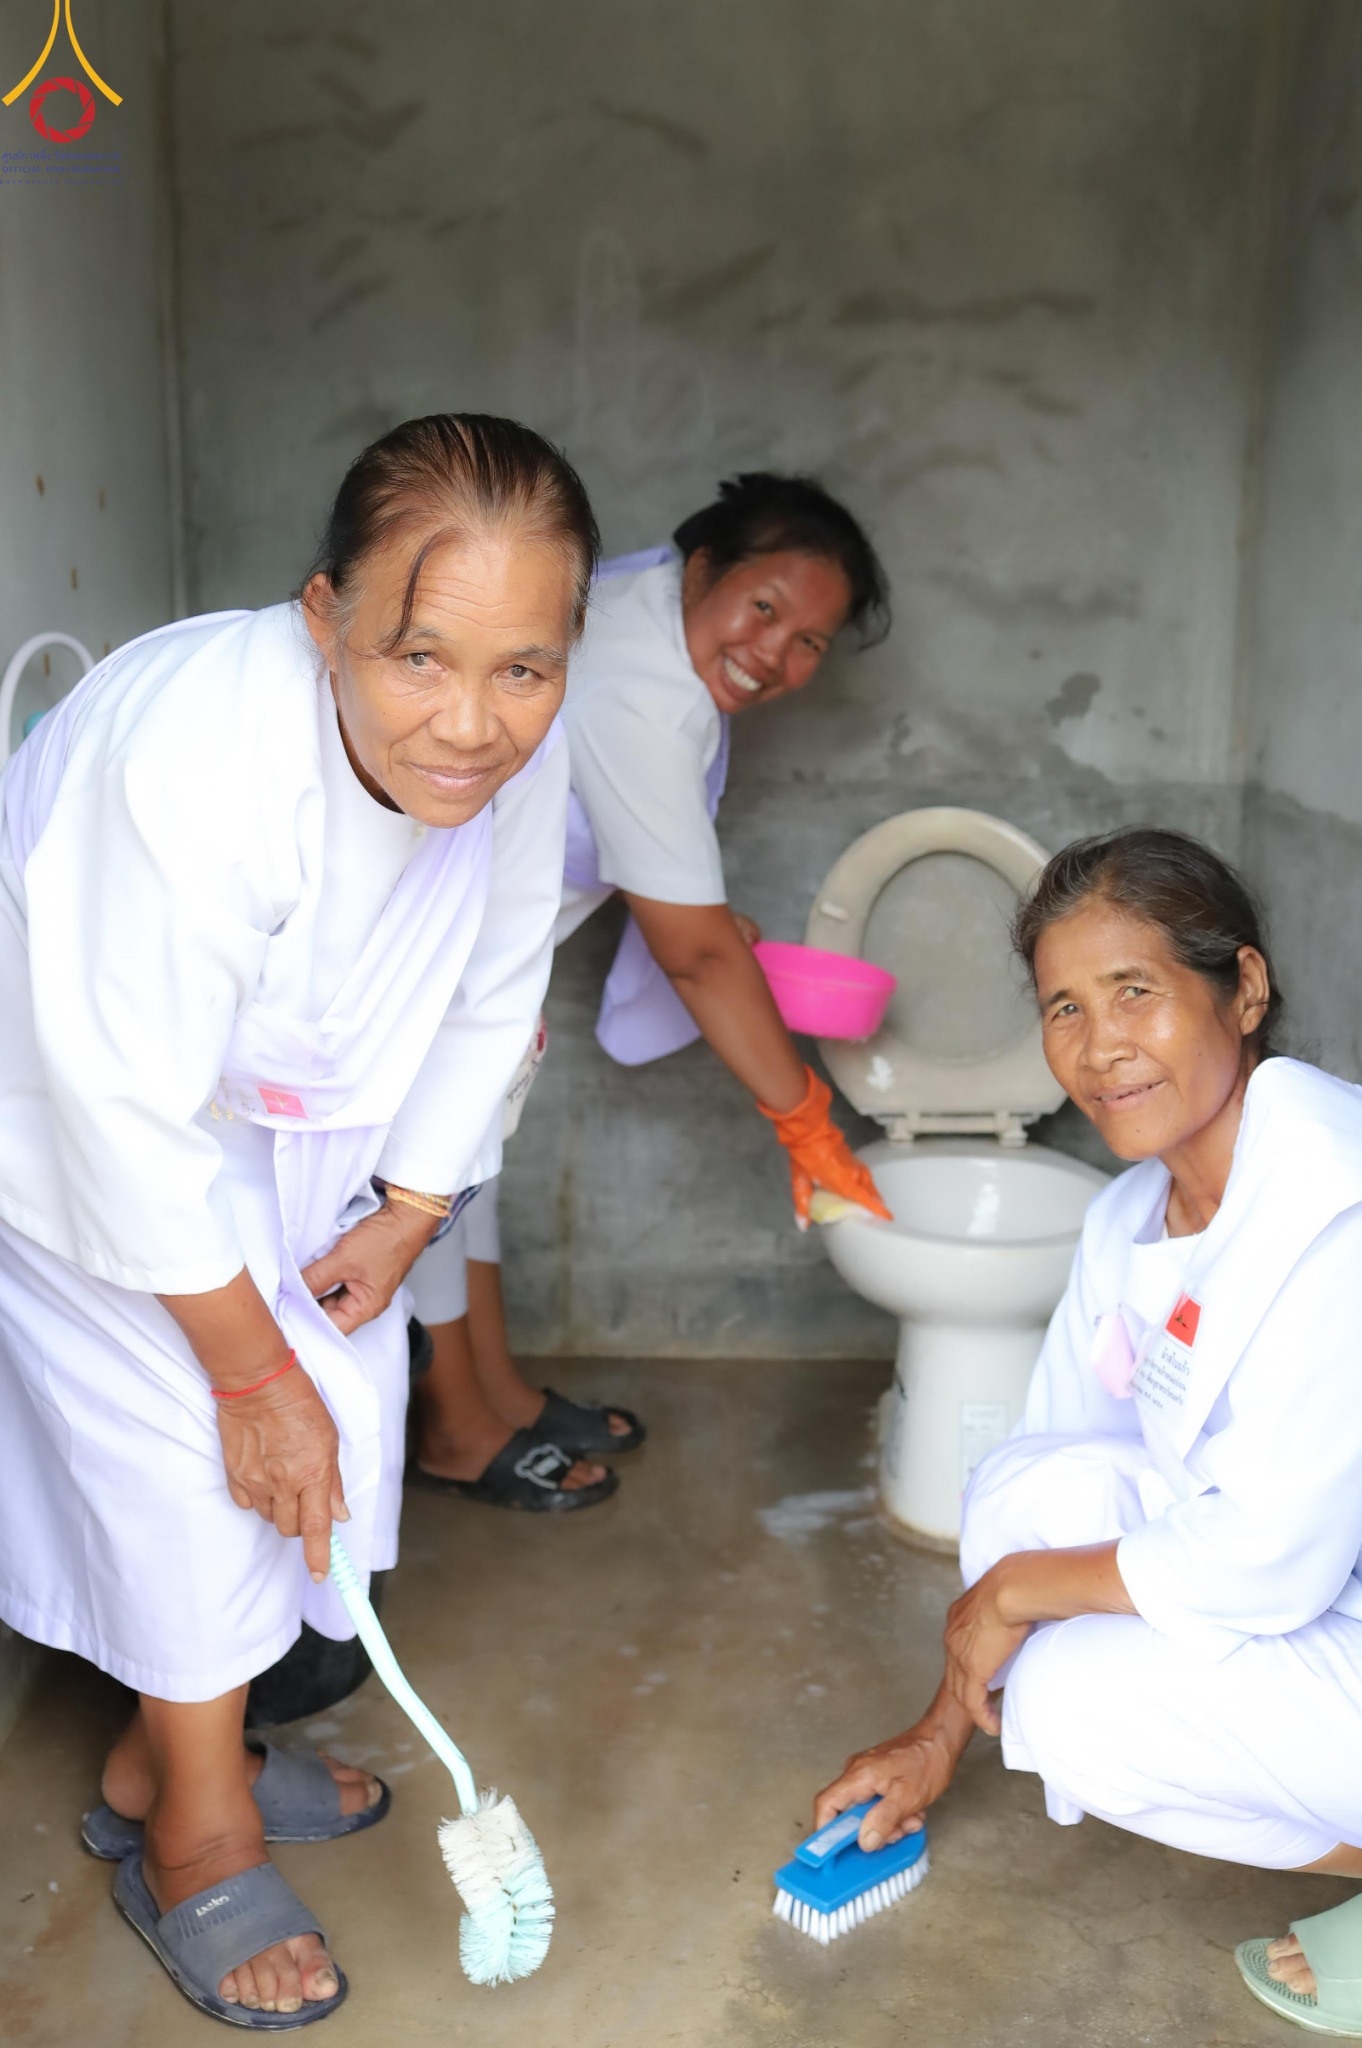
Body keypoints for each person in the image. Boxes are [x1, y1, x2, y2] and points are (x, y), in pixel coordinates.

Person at [0, 413, 597, 2027]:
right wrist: (247, 1369)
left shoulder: (515, 751)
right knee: (188, 1458)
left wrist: (409, 1209)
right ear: (324, 612)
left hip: (297, 1118)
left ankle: (167, 1754)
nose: (471, 723)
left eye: (524, 667)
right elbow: (117, 1104)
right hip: (80, 1119)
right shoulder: (193, 758)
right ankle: (192, 1836)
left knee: (334, 1410)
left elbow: (493, 988)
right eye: (419, 656)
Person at [811, 827, 1362, 2039]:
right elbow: (1046, 1475)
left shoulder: (1337, 1203)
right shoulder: (1128, 1218)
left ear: (1244, 988)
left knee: (1067, 1707)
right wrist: (938, 1733)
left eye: (1135, 991)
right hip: (1327, 1590)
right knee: (1024, 1493)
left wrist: (1013, 1597)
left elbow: (1272, 1555)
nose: (1099, 1044)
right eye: (1065, 1006)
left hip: (1306, 1575)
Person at [404, 473, 894, 1513]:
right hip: (426, 960)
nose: (774, 652)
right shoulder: (646, 691)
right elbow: (697, 958)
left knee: (468, 1168)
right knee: (431, 1177)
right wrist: (807, 1121)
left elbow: (668, 889)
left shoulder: (640, 599)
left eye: (808, 640)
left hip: (476, 955)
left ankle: (496, 1391)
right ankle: (455, 1427)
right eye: (765, 606)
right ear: (706, 565)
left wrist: (701, 917)